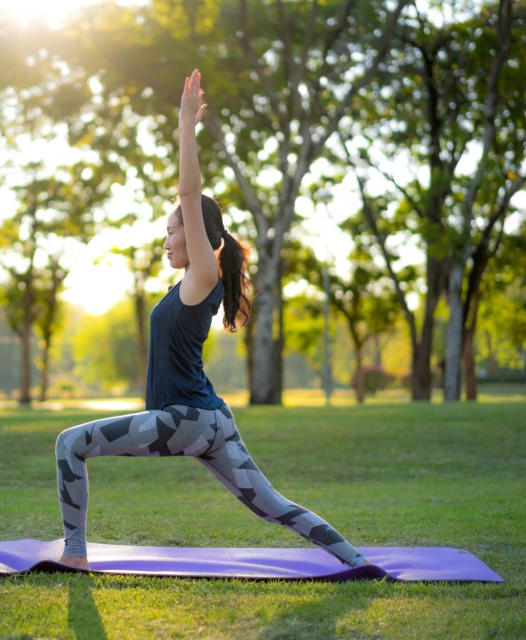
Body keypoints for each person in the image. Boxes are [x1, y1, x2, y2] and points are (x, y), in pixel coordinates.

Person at [54, 69, 367, 571]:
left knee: (70, 443)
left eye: (172, 230)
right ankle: (356, 560)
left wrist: (185, 128)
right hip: (210, 421)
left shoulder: (203, 274)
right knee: (274, 507)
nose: (166, 241)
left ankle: (74, 554)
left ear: (197, 233)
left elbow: (189, 189)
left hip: (184, 421)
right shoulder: (188, 285)